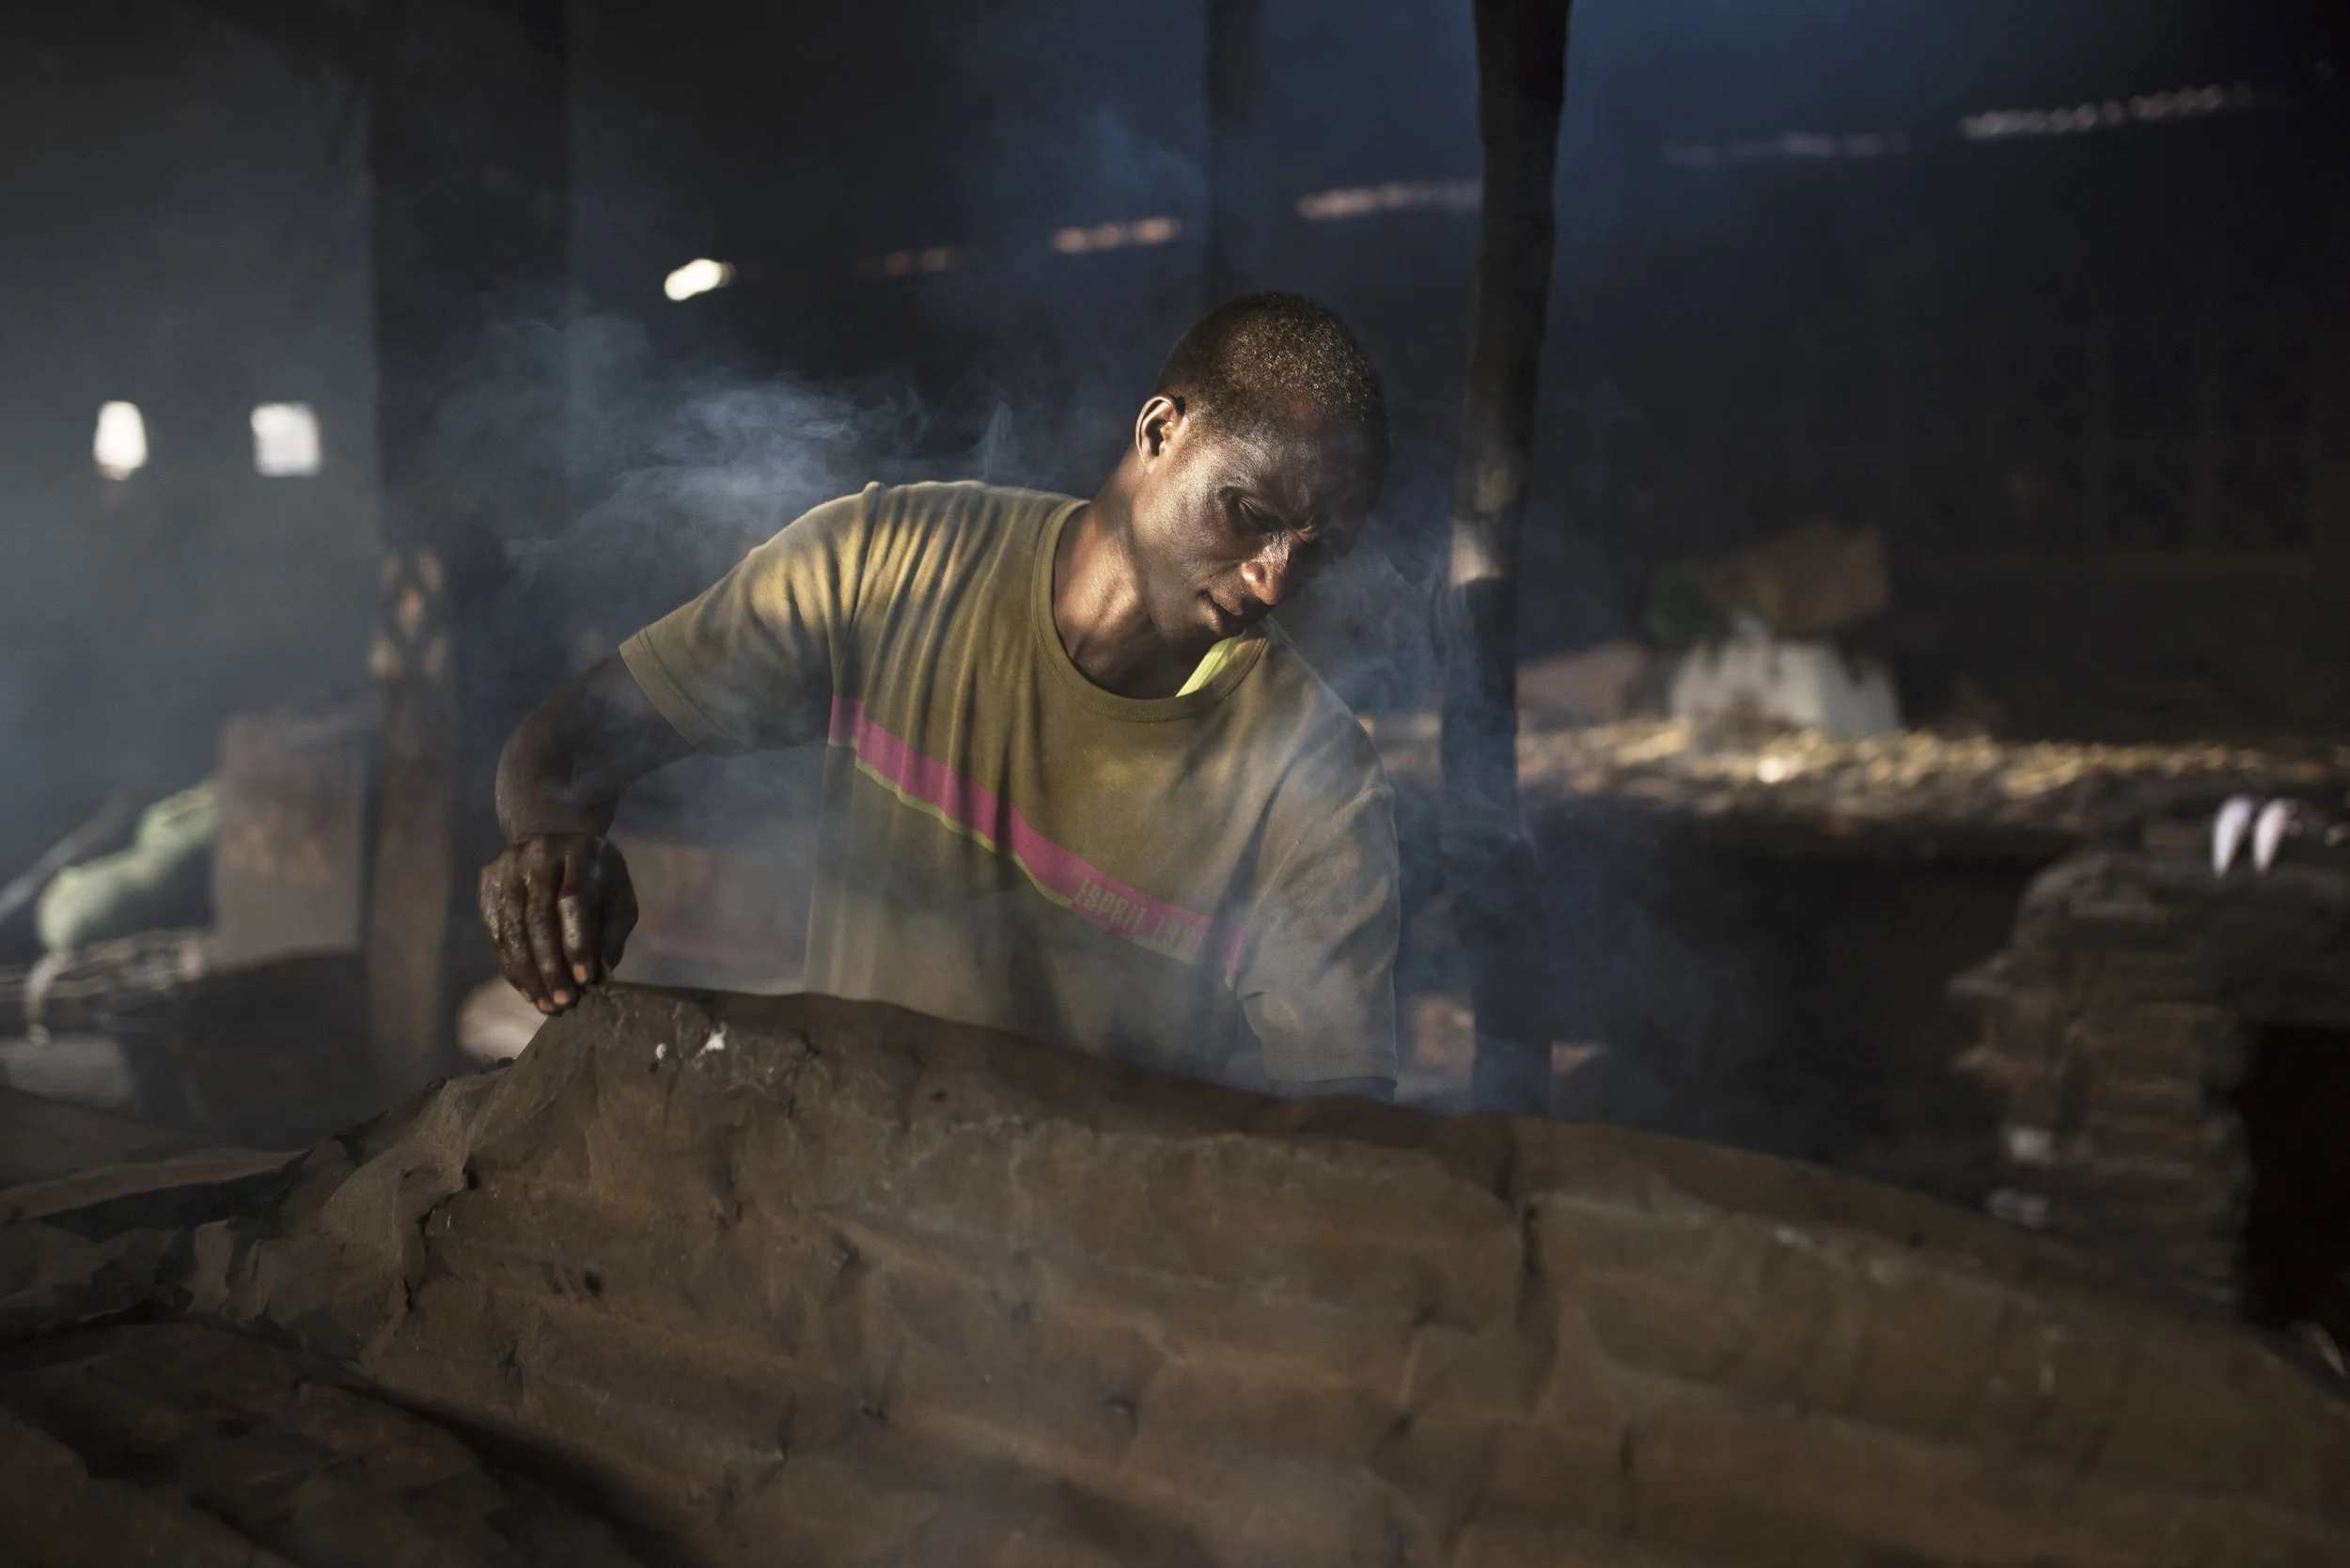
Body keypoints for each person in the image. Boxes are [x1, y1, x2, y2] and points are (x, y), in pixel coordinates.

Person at [478, 292, 1399, 1099]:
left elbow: (1338, 1115)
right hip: (843, 1211)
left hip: (1094, 1264)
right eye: (1250, 514)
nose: (1275, 581)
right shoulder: (886, 565)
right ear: (1162, 430)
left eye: (1320, 548)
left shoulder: (1314, 781)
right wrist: (549, 852)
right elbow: (563, 748)